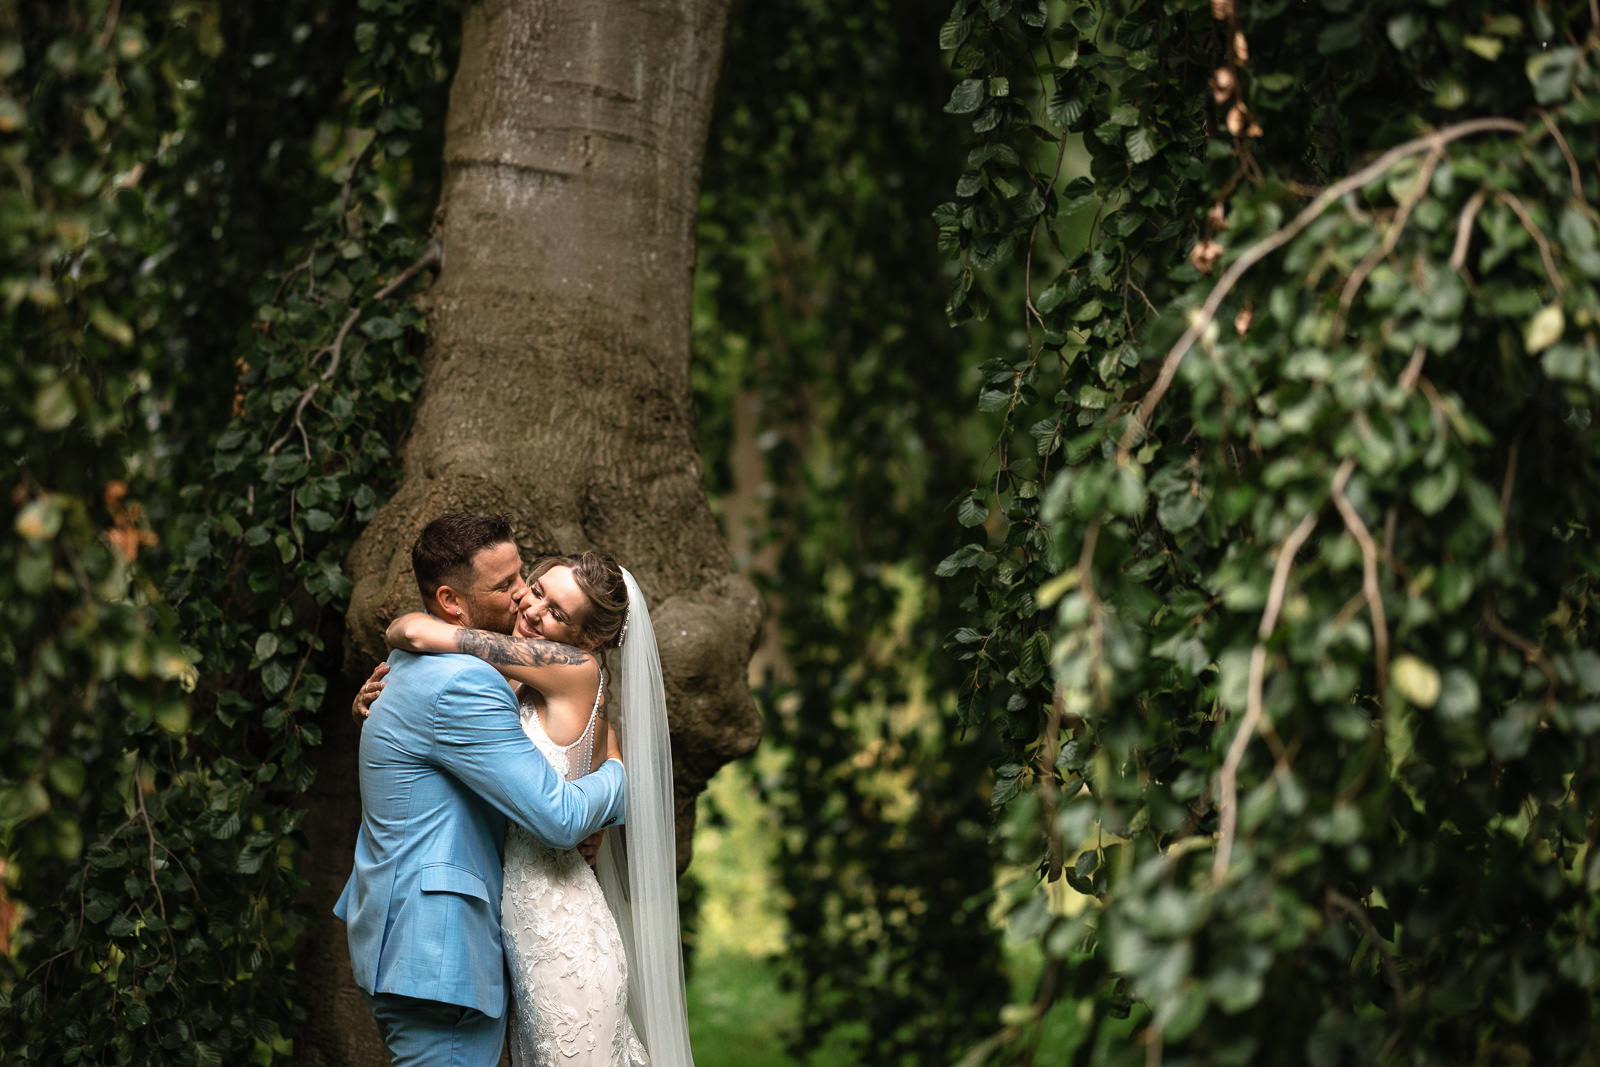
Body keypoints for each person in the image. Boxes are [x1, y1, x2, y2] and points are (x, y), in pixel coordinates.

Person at [356, 548, 696, 1067]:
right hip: (521, 928)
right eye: (537, 590)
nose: (534, 610)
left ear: (592, 639)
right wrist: (385, 709)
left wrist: (617, 788)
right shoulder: (526, 673)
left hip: (561, 936)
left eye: (558, 612)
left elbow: (418, 631)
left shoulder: (568, 664)